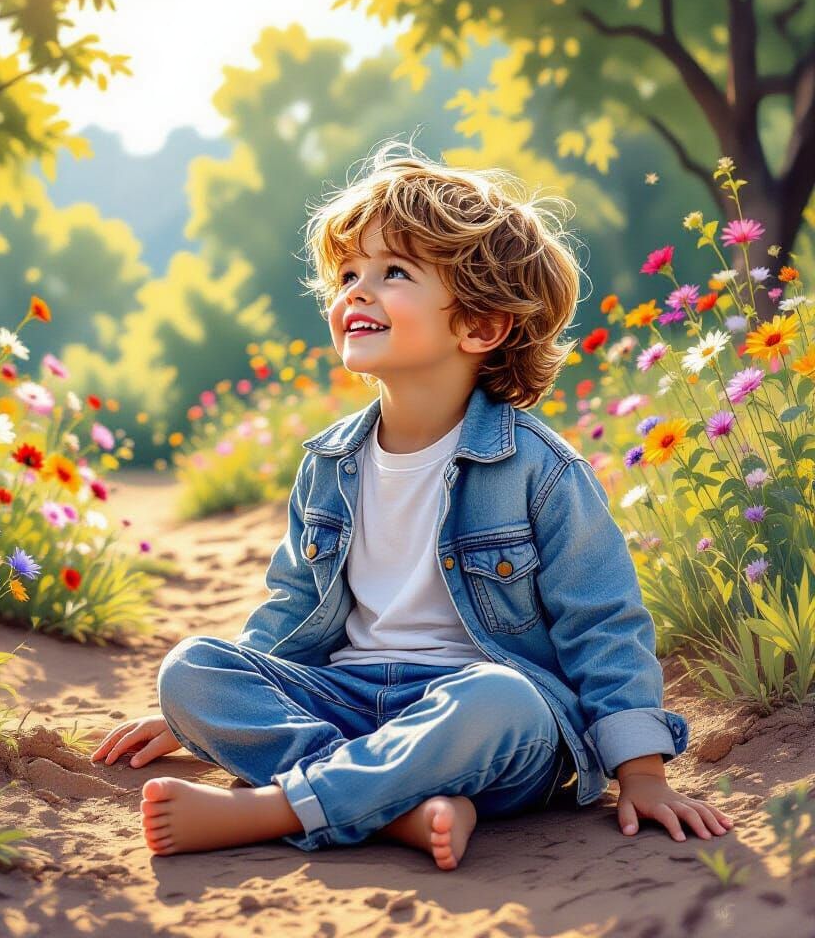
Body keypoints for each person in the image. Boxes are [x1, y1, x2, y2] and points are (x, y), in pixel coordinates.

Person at [91, 140, 734, 869]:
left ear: (481, 326)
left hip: (481, 720)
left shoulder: (541, 470)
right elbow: (292, 609)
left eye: (393, 272)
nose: (356, 292)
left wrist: (640, 772)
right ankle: (392, 805)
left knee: (506, 700)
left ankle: (280, 805)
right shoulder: (330, 463)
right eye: (348, 273)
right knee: (190, 669)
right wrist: (203, 715)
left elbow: (603, 621)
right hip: (349, 699)